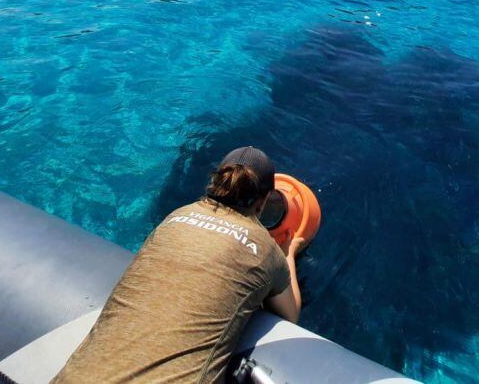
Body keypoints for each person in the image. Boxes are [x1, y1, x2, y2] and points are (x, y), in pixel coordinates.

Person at [53, 147, 304, 384]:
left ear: (218, 182)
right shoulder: (264, 246)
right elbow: (289, 313)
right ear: (262, 201)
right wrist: (288, 254)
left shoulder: (175, 217)